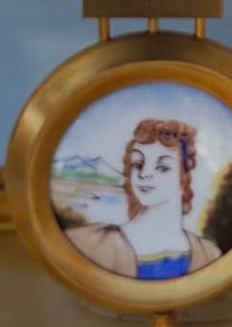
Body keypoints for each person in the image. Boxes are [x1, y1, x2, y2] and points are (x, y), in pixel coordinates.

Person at [64, 117, 220, 280]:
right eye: (138, 164)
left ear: (184, 178)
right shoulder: (93, 243)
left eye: (162, 168)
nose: (144, 174)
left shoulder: (208, 253)